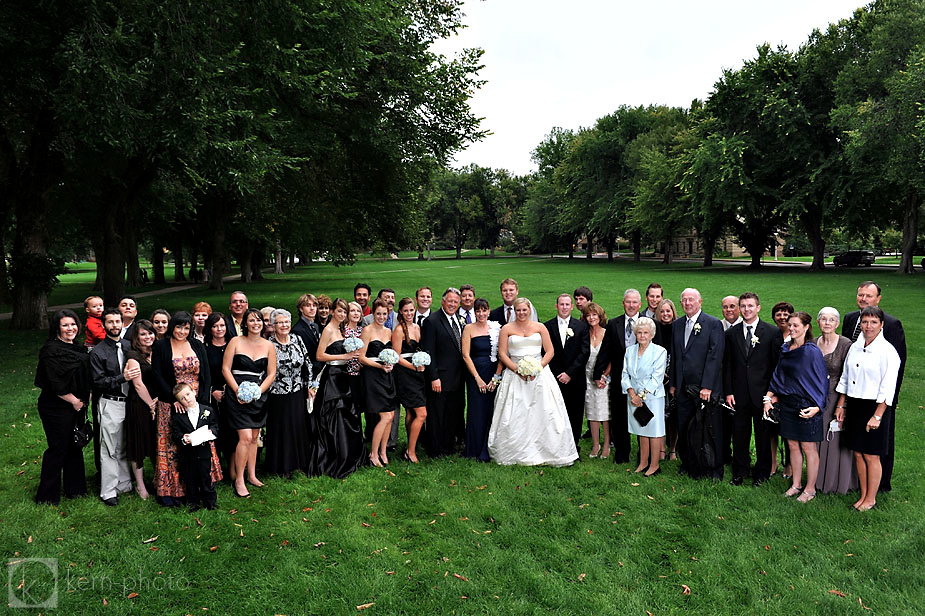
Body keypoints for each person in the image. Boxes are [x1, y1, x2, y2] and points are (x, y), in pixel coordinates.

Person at [488, 298, 578, 467]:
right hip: (515, 375)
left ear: (530, 310)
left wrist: (538, 368)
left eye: (524, 310)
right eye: (518, 310)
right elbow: (502, 354)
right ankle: (514, 451)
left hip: (540, 374)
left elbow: (550, 351)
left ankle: (548, 451)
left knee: (545, 412)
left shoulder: (540, 327)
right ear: (514, 311)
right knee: (515, 413)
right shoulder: (507, 329)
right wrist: (517, 370)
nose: (522, 313)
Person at [840, 281, 905, 492]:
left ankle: (881, 485)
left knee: (878, 447)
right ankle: (859, 483)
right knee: (858, 447)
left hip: (879, 398)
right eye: (861, 295)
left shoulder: (892, 325)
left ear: (878, 299)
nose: (864, 299)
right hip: (856, 392)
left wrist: (886, 403)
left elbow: (895, 367)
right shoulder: (850, 319)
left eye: (869, 296)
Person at [151, 311, 218, 507]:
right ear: (172, 327)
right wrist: (175, 399)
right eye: (179, 327)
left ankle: (203, 487)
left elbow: (205, 374)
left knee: (199, 442)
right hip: (171, 404)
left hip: (196, 404)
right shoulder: (162, 346)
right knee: (174, 447)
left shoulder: (196, 345)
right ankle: (173, 491)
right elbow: (157, 375)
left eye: (186, 327)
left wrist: (202, 403)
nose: (182, 331)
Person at [765, 311, 828, 503]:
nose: (791, 329)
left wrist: (818, 406)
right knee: (792, 445)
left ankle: (810, 489)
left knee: (808, 447)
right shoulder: (786, 348)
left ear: (806, 327)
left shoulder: (811, 351)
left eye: (796, 326)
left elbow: (822, 382)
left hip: (807, 405)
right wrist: (769, 397)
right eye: (790, 325)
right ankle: (796, 484)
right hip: (788, 404)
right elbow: (778, 375)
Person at [722, 293, 783, 486]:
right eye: (743, 306)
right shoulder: (732, 333)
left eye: (750, 306)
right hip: (738, 393)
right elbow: (728, 365)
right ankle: (740, 470)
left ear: (758, 308)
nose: (746, 309)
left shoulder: (772, 332)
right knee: (739, 433)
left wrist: (772, 395)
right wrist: (729, 391)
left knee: (763, 434)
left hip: (763, 394)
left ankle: (762, 473)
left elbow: (776, 366)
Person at [34, 310, 91, 505]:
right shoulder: (51, 350)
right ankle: (47, 496)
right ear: (57, 327)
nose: (70, 328)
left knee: (74, 446)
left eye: (73, 324)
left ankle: (76, 490)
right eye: (65, 325)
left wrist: (85, 397)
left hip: (78, 406)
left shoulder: (78, 348)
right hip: (56, 406)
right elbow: (52, 382)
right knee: (58, 448)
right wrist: (73, 400)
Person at [669, 288, 725, 479]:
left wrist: (707, 386)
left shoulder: (712, 324)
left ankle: (710, 466)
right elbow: (676, 356)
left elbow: (715, 357)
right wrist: (674, 384)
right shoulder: (677, 325)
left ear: (700, 301)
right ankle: (688, 463)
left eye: (691, 300)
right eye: (683, 300)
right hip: (682, 387)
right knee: (684, 425)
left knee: (706, 428)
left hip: (703, 388)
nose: (687, 303)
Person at [222, 308, 277, 498]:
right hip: (236, 394)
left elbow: (271, 374)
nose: (256, 324)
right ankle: (239, 479)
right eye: (252, 321)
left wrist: (257, 392)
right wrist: (239, 391)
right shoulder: (235, 342)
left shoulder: (268, 345)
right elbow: (226, 369)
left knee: (254, 437)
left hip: (258, 396)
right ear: (245, 323)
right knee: (244, 437)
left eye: (259, 320)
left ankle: (252, 475)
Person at [312, 298, 366, 478]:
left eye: (345, 312)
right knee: (335, 416)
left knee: (348, 415)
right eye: (340, 311)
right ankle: (335, 457)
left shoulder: (341, 329)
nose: (342, 314)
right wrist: (346, 355)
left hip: (343, 376)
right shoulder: (328, 330)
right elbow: (319, 355)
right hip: (333, 377)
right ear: (332, 312)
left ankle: (348, 454)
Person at [89, 308, 135, 506]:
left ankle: (124, 484)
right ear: (104, 325)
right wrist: (122, 378)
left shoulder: (127, 345)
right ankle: (108, 491)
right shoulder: (98, 352)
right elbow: (98, 382)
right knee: (109, 448)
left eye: (118, 321)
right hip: (110, 402)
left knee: (124, 446)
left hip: (130, 403)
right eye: (110, 322)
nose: (115, 325)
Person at [265, 308, 314, 478]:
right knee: (282, 429)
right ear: (273, 325)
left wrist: (309, 386)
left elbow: (307, 363)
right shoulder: (268, 344)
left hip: (298, 391)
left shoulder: (297, 339)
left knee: (299, 427)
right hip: (278, 393)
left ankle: (300, 463)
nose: (284, 325)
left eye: (287, 322)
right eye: (280, 322)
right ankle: (282, 465)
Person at [814, 307, 857, 494]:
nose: (827, 323)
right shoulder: (814, 343)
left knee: (836, 438)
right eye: (823, 319)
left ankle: (839, 483)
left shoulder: (846, 345)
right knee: (818, 439)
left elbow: (850, 376)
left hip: (837, 397)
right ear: (818, 322)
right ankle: (818, 480)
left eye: (831, 320)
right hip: (817, 398)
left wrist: (843, 404)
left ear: (837, 324)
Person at [421, 287, 466, 457]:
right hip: (440, 378)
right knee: (437, 414)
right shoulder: (432, 321)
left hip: (457, 378)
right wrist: (434, 377)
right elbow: (428, 351)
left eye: (456, 301)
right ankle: (436, 448)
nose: (452, 304)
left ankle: (449, 444)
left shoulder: (460, 320)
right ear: (443, 301)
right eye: (450, 301)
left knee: (452, 413)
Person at [622, 317, 668, 477]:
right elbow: (625, 374)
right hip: (633, 397)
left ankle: (654, 465)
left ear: (651, 334)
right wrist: (632, 394)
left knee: (653, 431)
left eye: (645, 333)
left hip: (652, 397)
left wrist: (641, 396)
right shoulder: (630, 351)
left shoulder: (660, 351)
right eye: (639, 332)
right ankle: (643, 462)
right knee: (641, 428)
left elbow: (657, 378)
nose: (642, 336)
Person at [544, 293, 590, 448]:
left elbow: (584, 352)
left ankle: (573, 446)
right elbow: (546, 352)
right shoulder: (547, 326)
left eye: (567, 304)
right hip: (555, 378)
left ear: (572, 307)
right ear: (556, 306)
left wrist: (570, 373)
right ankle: (556, 446)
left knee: (575, 415)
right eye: (561, 304)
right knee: (554, 414)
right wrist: (558, 373)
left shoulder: (582, 327)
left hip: (575, 379)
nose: (564, 307)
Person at [604, 288, 643, 464]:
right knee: (619, 417)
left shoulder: (649, 323)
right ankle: (622, 453)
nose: (631, 305)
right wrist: (599, 373)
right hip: (620, 379)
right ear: (623, 303)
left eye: (634, 302)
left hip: (642, 381)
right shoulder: (613, 324)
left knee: (643, 416)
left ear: (640, 304)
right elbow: (606, 351)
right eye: (628, 302)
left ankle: (644, 453)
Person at [461, 297, 501, 462]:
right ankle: (474, 448)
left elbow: (502, 355)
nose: (481, 313)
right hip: (475, 374)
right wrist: (477, 378)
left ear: (488, 311)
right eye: (478, 311)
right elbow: (465, 355)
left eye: (484, 310)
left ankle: (489, 447)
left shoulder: (497, 328)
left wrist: (496, 378)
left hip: (493, 374)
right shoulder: (469, 329)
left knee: (492, 410)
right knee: (476, 411)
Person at [360, 299, 399, 466]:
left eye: (385, 314)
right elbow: (361, 357)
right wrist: (379, 366)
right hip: (372, 376)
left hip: (387, 376)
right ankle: (373, 454)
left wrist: (389, 365)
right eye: (378, 314)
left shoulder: (388, 331)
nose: (382, 317)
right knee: (384, 416)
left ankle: (383, 451)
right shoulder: (367, 330)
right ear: (373, 314)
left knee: (390, 416)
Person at [123, 319, 159, 500]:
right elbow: (137, 384)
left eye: (150, 333)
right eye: (143, 334)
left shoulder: (158, 351)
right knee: (139, 443)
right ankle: (140, 485)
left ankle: (157, 479)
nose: (147, 337)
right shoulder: (132, 355)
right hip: (140, 404)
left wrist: (158, 401)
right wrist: (151, 404)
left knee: (156, 441)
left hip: (158, 402)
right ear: (136, 337)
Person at [171, 383, 219, 511]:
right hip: (188, 455)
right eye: (182, 398)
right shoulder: (178, 417)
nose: (187, 399)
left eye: (187, 394)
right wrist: (183, 438)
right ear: (179, 401)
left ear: (193, 392)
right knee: (190, 479)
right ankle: (193, 503)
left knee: (205, 477)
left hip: (204, 453)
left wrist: (211, 433)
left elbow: (215, 426)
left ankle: (210, 502)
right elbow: (175, 434)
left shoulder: (207, 410)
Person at [392, 298, 428, 463]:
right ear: (400, 311)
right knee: (422, 413)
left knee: (411, 412)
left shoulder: (417, 327)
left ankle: (410, 445)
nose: (409, 313)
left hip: (418, 374)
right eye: (405, 310)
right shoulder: (399, 330)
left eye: (411, 310)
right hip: (406, 374)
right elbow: (396, 356)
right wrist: (414, 367)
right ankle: (411, 451)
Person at [203, 312, 234, 470]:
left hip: (232, 393)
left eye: (222, 325)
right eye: (215, 326)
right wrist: (212, 391)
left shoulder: (233, 344)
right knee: (216, 430)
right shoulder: (204, 349)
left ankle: (233, 465)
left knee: (232, 431)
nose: (219, 329)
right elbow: (204, 374)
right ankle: (216, 465)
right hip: (213, 396)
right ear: (209, 329)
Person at [583, 302, 611, 459]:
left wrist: (604, 376)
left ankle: (607, 444)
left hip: (603, 378)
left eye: (594, 315)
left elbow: (612, 358)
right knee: (592, 413)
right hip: (587, 378)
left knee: (604, 413)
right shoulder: (584, 333)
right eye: (588, 315)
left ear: (600, 316)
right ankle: (595, 444)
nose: (591, 318)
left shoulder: (607, 333)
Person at [655, 299, 678, 459]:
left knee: (674, 415)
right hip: (658, 377)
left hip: (675, 376)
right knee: (660, 414)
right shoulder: (654, 329)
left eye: (668, 311)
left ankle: (673, 449)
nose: (665, 314)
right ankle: (661, 448)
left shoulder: (679, 327)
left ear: (673, 312)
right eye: (662, 311)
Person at [292, 293, 324, 378]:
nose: (312, 308)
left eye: (314, 305)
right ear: (301, 309)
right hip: (307, 373)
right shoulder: (297, 330)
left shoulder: (316, 326)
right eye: (308, 305)